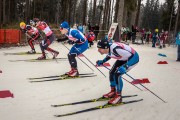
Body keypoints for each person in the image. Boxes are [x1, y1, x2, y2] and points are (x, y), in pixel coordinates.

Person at [96, 39, 139, 104]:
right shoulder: (108, 48)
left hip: (132, 59)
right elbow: (109, 55)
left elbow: (133, 56)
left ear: (105, 48)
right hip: (123, 58)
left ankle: (119, 96)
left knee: (117, 75)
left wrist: (126, 66)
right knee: (111, 73)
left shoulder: (116, 49)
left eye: (100, 48)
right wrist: (103, 61)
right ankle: (113, 91)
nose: (98, 50)